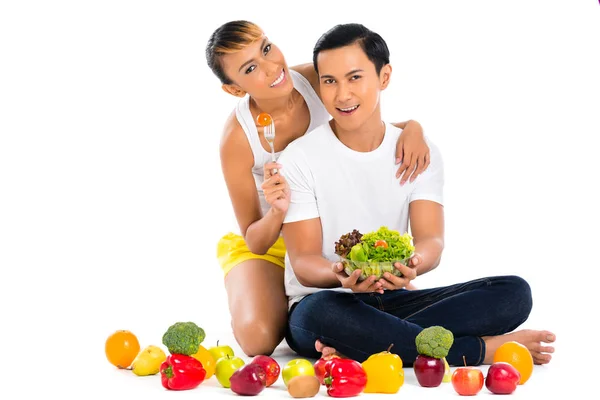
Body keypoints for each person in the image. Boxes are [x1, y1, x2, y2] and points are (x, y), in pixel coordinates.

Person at [279, 23, 555, 366]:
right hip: (328, 302)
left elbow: (430, 241)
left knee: (513, 293)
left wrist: (411, 266)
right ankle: (480, 349)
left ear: (384, 77)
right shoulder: (298, 157)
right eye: (329, 81)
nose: (342, 95)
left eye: (355, 77)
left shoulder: (418, 152)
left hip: (396, 297)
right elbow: (304, 262)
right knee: (319, 315)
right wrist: (341, 274)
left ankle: (364, 342)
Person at [206, 20, 431, 357]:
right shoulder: (238, 139)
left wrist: (411, 127)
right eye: (251, 68)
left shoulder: (313, 79)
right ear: (236, 89)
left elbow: (363, 122)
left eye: (266, 49)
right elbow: (254, 237)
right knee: (259, 339)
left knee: (398, 304)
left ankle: (320, 313)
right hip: (271, 244)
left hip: (329, 236)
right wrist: (278, 210)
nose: (271, 68)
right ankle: (267, 291)